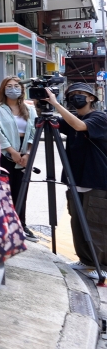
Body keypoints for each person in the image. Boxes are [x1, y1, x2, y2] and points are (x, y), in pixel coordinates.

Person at [43, 82, 107, 274]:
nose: (76, 97)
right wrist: (42, 104)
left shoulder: (99, 117)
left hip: (97, 180)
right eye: (72, 94)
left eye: (80, 94)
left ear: (91, 98)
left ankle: (102, 266)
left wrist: (56, 104)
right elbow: (57, 123)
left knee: (96, 225)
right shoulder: (72, 119)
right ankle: (86, 259)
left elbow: (80, 126)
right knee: (77, 222)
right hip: (75, 179)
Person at [0, 76, 37, 241]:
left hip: (25, 154)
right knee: (4, 191)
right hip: (5, 154)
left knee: (22, 189)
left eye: (16, 86)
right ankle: (6, 225)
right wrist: (12, 152)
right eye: (9, 86)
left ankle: (22, 224)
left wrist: (27, 152)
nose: (13, 89)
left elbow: (34, 131)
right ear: (3, 89)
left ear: (22, 89)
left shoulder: (30, 109)